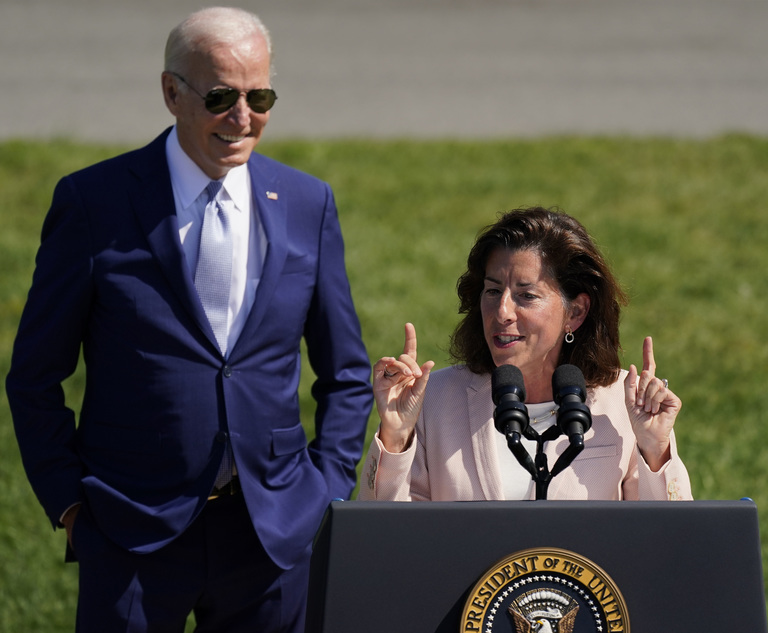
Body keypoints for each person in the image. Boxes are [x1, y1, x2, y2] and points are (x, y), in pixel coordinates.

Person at [6, 7, 372, 632]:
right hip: (131, 531)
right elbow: (35, 374)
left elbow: (345, 371)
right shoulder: (93, 203)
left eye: (260, 97)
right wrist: (70, 503)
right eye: (222, 96)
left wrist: (327, 488)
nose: (242, 118)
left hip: (271, 533)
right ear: (171, 92)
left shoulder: (308, 203)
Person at [359, 206, 691, 502]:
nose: (501, 311)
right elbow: (386, 544)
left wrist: (655, 450)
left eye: (526, 295)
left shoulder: (625, 404)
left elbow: (666, 546)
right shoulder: (435, 400)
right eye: (492, 291)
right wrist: (396, 437)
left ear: (575, 312)